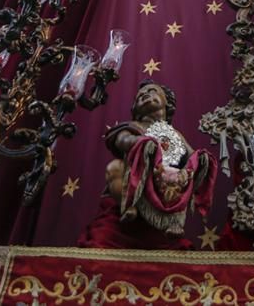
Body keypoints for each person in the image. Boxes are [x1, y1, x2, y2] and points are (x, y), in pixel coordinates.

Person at [78, 80, 216, 249]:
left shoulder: (175, 135)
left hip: (165, 181)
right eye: (139, 96)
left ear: (167, 103)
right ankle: (129, 206)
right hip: (135, 179)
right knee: (115, 168)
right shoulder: (133, 126)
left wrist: (200, 159)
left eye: (151, 91)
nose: (144, 95)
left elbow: (190, 155)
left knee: (181, 179)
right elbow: (122, 140)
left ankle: (173, 223)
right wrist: (141, 141)